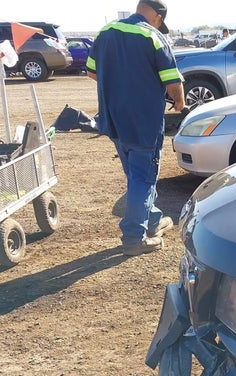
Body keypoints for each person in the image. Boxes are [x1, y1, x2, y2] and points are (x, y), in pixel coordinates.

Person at [86, 0, 185, 256]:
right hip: (143, 122)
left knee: (135, 175)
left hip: (114, 119)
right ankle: (134, 237)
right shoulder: (153, 36)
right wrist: (180, 102)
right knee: (143, 178)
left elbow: (92, 73)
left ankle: (152, 220)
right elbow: (173, 82)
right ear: (157, 17)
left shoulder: (105, 32)